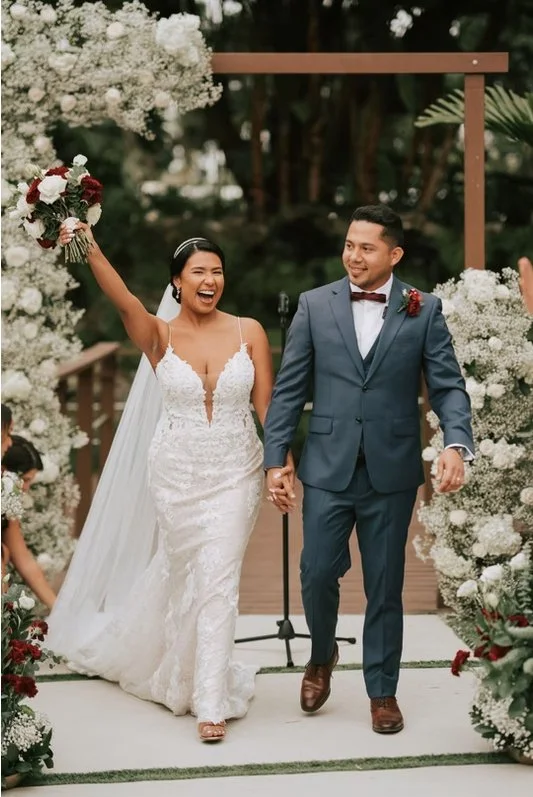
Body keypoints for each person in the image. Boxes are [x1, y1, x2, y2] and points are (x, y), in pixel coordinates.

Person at [47, 221, 278, 743]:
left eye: (217, 271)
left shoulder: (251, 331)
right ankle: (172, 662)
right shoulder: (158, 334)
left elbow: (268, 409)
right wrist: (90, 245)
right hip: (175, 474)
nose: (210, 280)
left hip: (237, 469)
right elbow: (123, 298)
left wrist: (279, 465)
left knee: (218, 579)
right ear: (177, 282)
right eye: (199, 272)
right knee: (184, 575)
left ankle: (211, 701)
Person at [264, 204, 474, 734]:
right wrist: (276, 460)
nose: (353, 256)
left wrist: (456, 443)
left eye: (366, 247)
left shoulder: (422, 309)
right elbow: (289, 390)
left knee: (385, 585)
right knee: (316, 572)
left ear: (394, 254)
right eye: (349, 245)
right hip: (328, 466)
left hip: (392, 470)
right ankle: (321, 655)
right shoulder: (314, 305)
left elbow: (446, 385)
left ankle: (382, 690)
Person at [1, 435, 56, 609]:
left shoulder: (8, 504)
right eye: (24, 480)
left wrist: (58, 608)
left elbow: (24, 560)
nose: (26, 488)